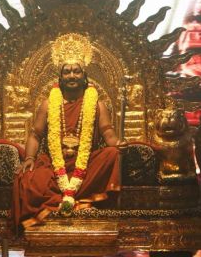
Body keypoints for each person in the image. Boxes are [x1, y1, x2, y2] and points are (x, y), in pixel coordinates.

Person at [12, 33, 126, 229]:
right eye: (67, 72)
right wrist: (29, 158)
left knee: (111, 154)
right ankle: (73, 199)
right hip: (54, 165)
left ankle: (71, 197)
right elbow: (35, 135)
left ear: (84, 76)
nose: (72, 75)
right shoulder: (48, 104)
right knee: (28, 180)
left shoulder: (97, 104)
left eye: (76, 71)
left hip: (86, 164)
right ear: (61, 77)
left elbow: (107, 132)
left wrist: (117, 143)